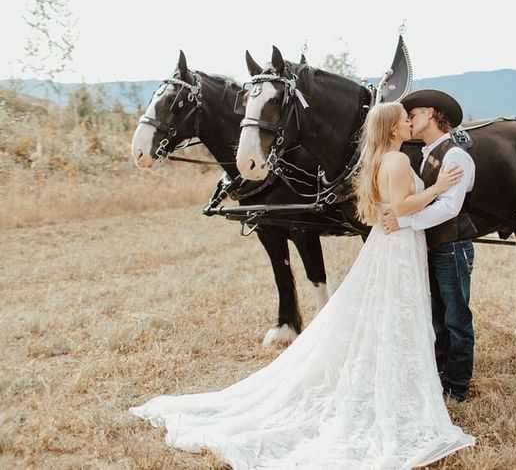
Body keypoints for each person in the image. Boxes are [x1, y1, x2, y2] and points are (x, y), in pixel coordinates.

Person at [129, 102, 475, 469]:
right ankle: (407, 384)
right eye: (404, 120)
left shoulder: (379, 159)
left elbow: (387, 209)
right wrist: (437, 186)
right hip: (399, 243)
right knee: (399, 310)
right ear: (392, 129)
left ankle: (402, 379)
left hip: (387, 242)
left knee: (391, 311)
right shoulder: (399, 161)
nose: (409, 122)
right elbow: (400, 208)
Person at [381, 89, 476, 402]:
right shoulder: (423, 156)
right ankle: (439, 376)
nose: (410, 119)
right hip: (431, 246)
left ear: (434, 115)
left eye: (416, 113)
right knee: (435, 315)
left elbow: (450, 207)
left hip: (451, 246)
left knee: (456, 317)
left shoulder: (455, 155)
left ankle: (458, 385)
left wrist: (404, 222)